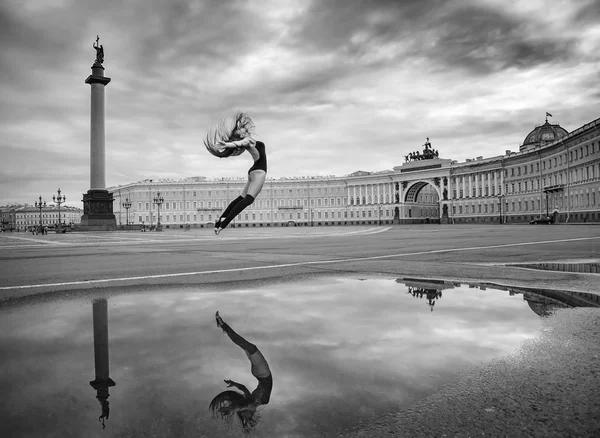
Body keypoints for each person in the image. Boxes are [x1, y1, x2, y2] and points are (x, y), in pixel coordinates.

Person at [204, 112, 267, 235]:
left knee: (241, 198)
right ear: (242, 134)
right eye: (240, 130)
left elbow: (240, 144)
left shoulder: (251, 141)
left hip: (253, 170)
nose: (242, 128)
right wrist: (228, 144)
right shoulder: (247, 140)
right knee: (248, 200)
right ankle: (224, 224)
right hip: (259, 171)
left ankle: (220, 220)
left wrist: (229, 144)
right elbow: (240, 143)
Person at [209, 311, 272, 433]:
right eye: (246, 416)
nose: (245, 414)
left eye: (242, 415)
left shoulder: (250, 401)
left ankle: (223, 325)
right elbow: (245, 405)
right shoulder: (257, 403)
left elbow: (243, 391)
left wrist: (233, 384)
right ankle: (223, 326)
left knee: (247, 346)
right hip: (261, 374)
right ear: (251, 415)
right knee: (246, 345)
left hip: (262, 373)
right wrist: (233, 408)